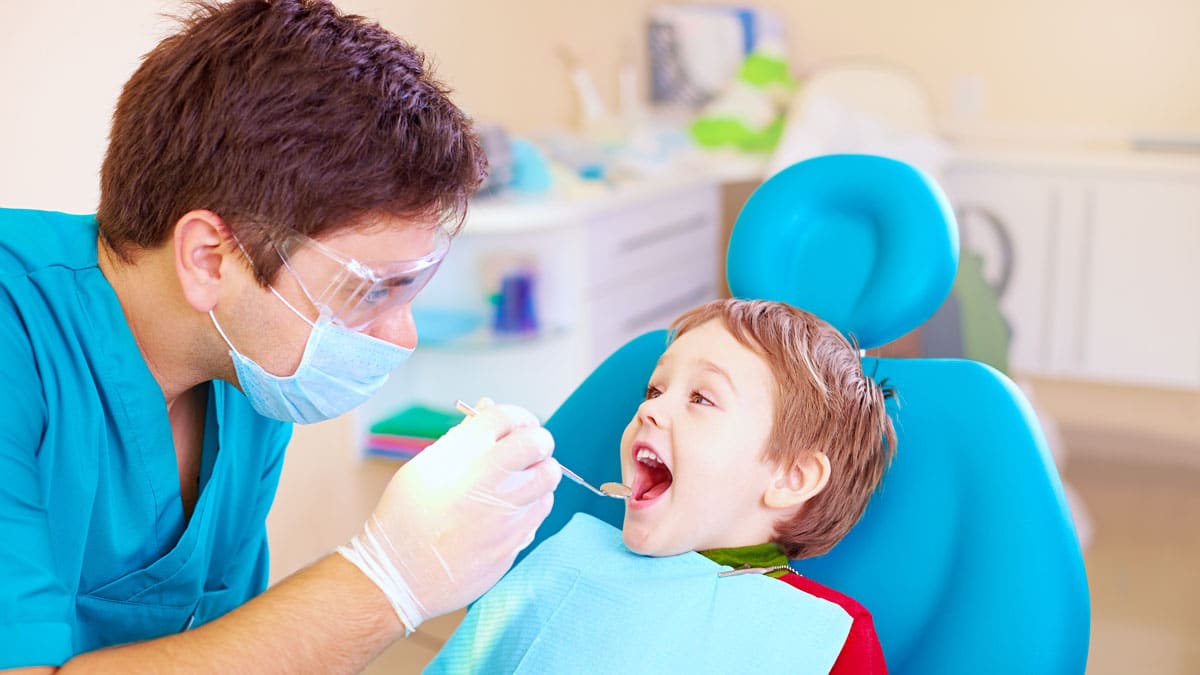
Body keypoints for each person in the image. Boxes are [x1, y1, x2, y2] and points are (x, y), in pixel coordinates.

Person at [0, 1, 561, 672]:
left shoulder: (247, 373)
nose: (400, 335)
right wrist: (388, 578)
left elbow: (228, 649)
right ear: (210, 258)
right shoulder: (19, 338)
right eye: (369, 289)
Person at [428, 298, 896, 673]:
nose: (648, 410)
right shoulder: (564, 558)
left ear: (792, 477)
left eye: (701, 398)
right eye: (655, 390)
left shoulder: (826, 636)